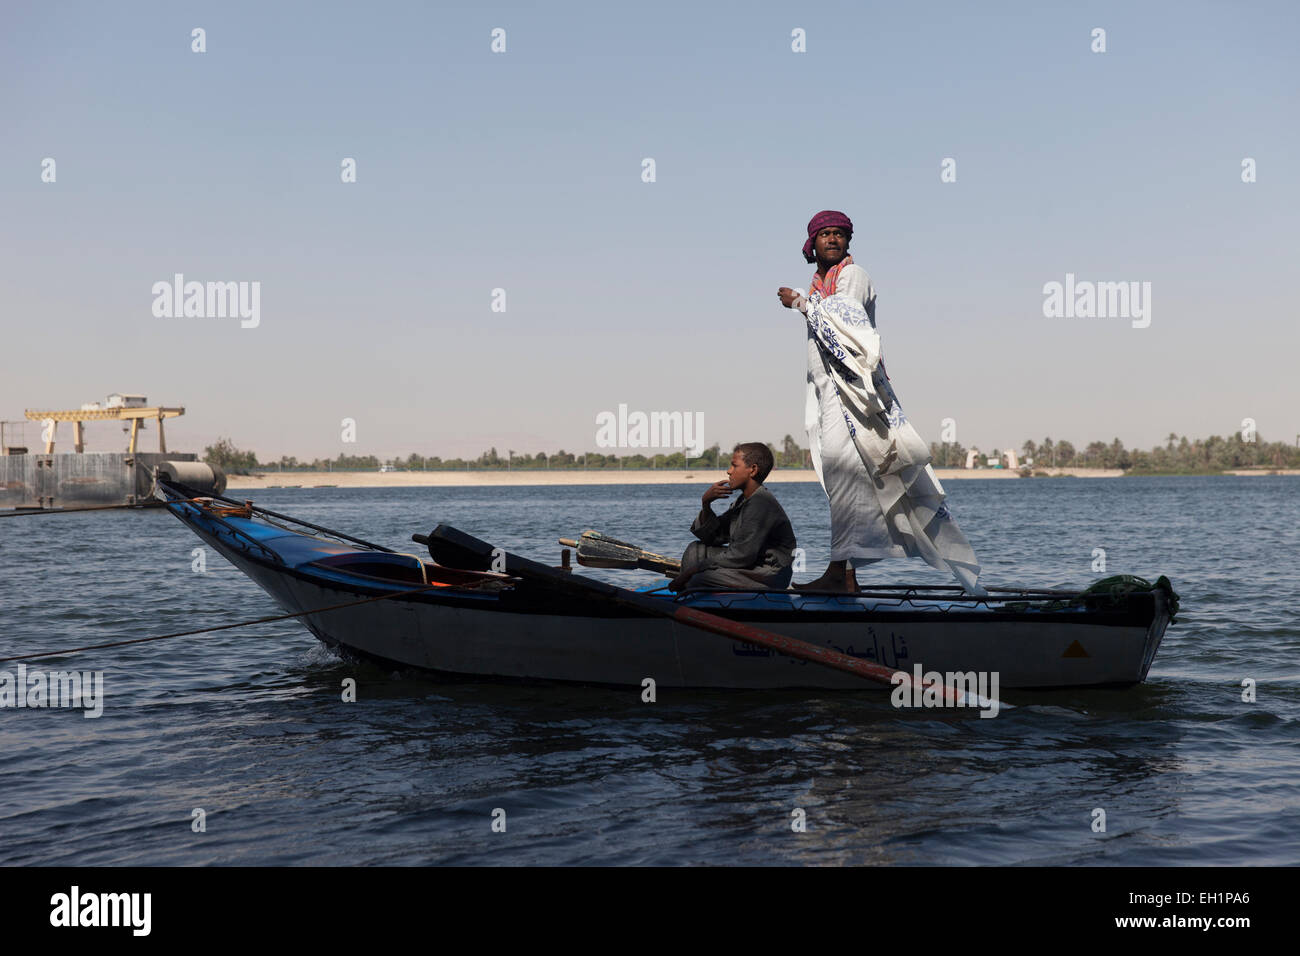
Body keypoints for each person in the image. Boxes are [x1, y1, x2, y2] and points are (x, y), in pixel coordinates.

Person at [776, 210, 985, 595]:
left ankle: (840, 575)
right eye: (826, 235)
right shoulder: (823, 284)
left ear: (848, 241)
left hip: (853, 398)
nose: (833, 240)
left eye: (840, 234)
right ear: (813, 243)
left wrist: (802, 304)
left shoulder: (852, 276)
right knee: (844, 483)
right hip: (834, 395)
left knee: (849, 481)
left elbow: (847, 321)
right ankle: (844, 575)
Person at [669, 443, 796, 592]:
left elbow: (741, 556)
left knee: (700, 579)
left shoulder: (760, 503)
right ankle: (687, 593)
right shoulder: (744, 501)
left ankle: (690, 593)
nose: (729, 471)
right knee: (695, 550)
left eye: (734, 466)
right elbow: (714, 537)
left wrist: (693, 571)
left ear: (753, 470)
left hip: (767, 574)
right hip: (751, 564)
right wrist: (706, 503)